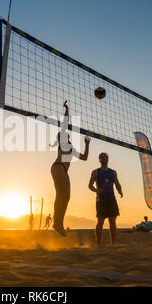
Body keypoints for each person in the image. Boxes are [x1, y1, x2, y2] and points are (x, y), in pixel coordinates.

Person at [50, 101, 91, 236]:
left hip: (63, 170)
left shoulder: (71, 148)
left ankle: (59, 223)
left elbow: (84, 157)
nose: (66, 134)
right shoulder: (63, 141)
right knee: (61, 195)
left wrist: (87, 144)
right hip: (58, 168)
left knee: (66, 197)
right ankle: (57, 222)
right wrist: (67, 109)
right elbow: (65, 124)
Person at [88, 153, 123, 246]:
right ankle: (98, 243)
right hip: (101, 200)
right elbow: (90, 185)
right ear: (99, 160)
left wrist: (120, 191)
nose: (103, 159)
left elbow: (117, 184)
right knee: (100, 221)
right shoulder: (96, 172)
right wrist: (96, 190)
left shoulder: (113, 172)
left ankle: (113, 243)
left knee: (112, 221)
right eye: (102, 158)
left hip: (111, 199)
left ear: (108, 159)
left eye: (105, 157)